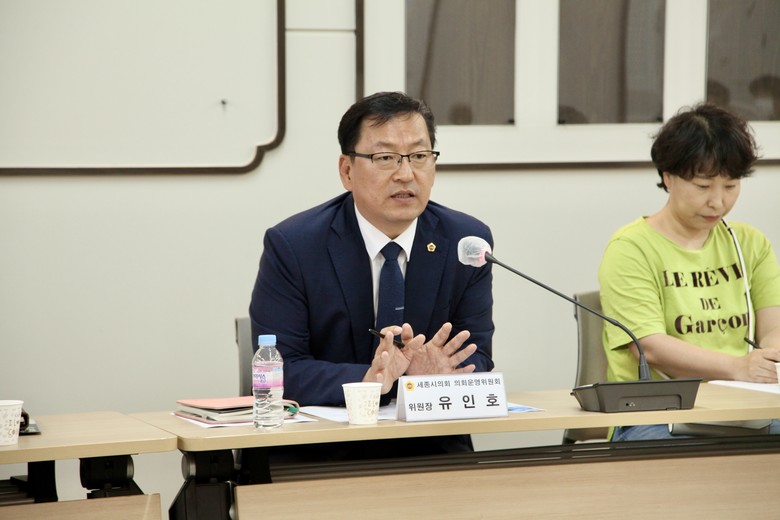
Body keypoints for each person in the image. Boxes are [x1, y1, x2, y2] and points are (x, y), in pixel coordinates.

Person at [249, 91, 494, 460]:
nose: (406, 174)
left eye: (419, 156)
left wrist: (439, 373)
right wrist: (374, 377)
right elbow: (282, 370)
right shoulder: (295, 245)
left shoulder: (466, 242)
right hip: (318, 449)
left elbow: (477, 356)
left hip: (431, 446)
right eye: (385, 158)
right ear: (347, 171)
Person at [598, 103, 780, 441]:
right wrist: (738, 367)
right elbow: (649, 347)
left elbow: (773, 325)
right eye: (703, 186)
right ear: (668, 177)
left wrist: (771, 357)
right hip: (655, 414)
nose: (718, 202)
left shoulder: (749, 243)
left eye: (731, 186)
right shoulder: (631, 248)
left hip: (744, 409)